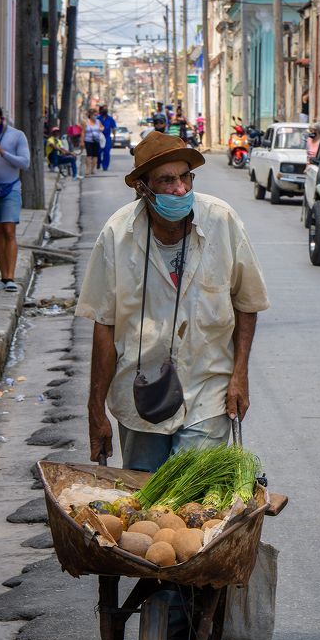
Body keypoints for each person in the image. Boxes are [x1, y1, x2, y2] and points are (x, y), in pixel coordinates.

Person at [75, 130, 270, 472]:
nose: (180, 189)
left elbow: (247, 303)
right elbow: (104, 326)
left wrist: (240, 376)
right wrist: (95, 412)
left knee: (190, 502)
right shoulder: (117, 235)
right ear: (142, 187)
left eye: (185, 177)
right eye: (167, 180)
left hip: (208, 391)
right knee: (145, 505)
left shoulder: (222, 220)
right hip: (140, 396)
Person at [0, 104, 30, 292]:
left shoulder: (17, 136)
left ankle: (10, 276)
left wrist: (2, 152)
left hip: (11, 189)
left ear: (2, 118)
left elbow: (24, 163)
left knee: (9, 230)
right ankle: (2, 277)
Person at [96, 104, 117, 171]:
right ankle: (98, 163)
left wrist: (114, 138)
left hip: (107, 137)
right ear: (101, 110)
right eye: (103, 109)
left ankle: (105, 166)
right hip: (99, 137)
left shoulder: (110, 119)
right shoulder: (98, 118)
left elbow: (113, 128)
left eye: (106, 109)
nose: (105, 110)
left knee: (106, 152)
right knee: (98, 152)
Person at [84, 110, 101, 176]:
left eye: (96, 115)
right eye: (94, 115)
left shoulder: (98, 122)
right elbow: (83, 132)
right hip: (88, 140)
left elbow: (102, 128)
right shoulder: (86, 122)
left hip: (96, 140)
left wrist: (101, 129)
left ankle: (93, 169)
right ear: (90, 115)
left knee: (95, 155)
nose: (95, 116)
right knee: (89, 155)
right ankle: (87, 169)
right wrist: (82, 142)